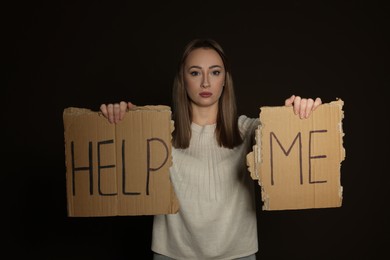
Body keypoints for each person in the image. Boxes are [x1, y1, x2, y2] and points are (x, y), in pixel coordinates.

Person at [100, 38, 322, 260]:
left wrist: (296, 115)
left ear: (225, 80)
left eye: (215, 72)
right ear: (182, 79)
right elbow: (119, 145)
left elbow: (279, 132)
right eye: (195, 73)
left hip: (237, 256)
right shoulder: (157, 131)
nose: (206, 82)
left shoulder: (246, 130)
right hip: (172, 255)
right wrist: (117, 118)